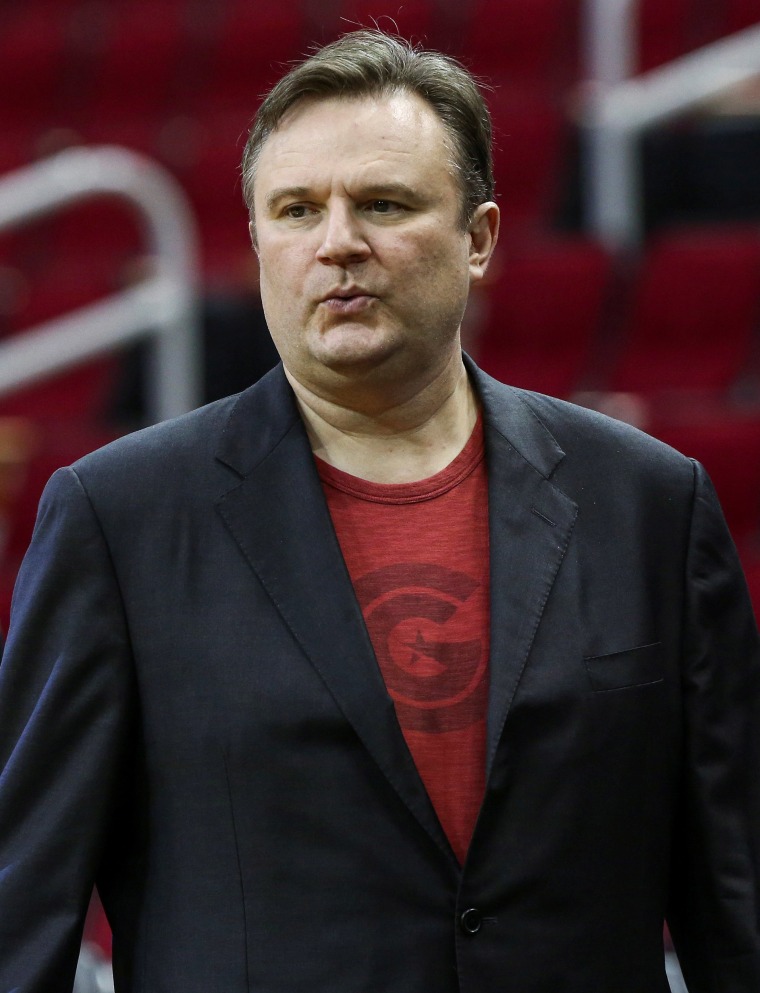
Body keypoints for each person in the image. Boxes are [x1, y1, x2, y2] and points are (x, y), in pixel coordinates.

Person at [0, 29, 759, 993]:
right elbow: (22, 911)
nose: (337, 242)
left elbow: (734, 903)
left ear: (478, 238)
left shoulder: (651, 503)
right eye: (297, 209)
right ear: (258, 246)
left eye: (384, 204)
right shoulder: (118, 520)